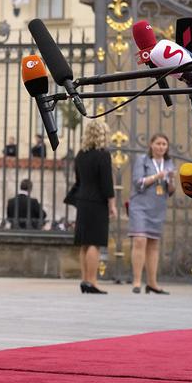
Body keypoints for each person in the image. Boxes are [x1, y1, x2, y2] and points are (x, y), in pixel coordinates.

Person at [70, 120, 116, 294]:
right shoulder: (103, 154)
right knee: (94, 243)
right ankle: (92, 281)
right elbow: (107, 183)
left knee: (84, 242)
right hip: (97, 202)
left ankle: (85, 280)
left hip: (82, 200)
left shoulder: (81, 154)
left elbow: (79, 180)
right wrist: (112, 204)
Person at [128, 134, 176, 294]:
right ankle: (136, 281)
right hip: (140, 205)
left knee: (154, 244)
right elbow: (138, 182)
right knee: (140, 240)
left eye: (164, 144)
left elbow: (171, 191)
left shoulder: (169, 163)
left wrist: (171, 181)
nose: (161, 147)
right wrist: (157, 176)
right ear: (151, 144)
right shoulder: (142, 160)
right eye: (158, 143)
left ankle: (152, 283)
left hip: (158, 206)